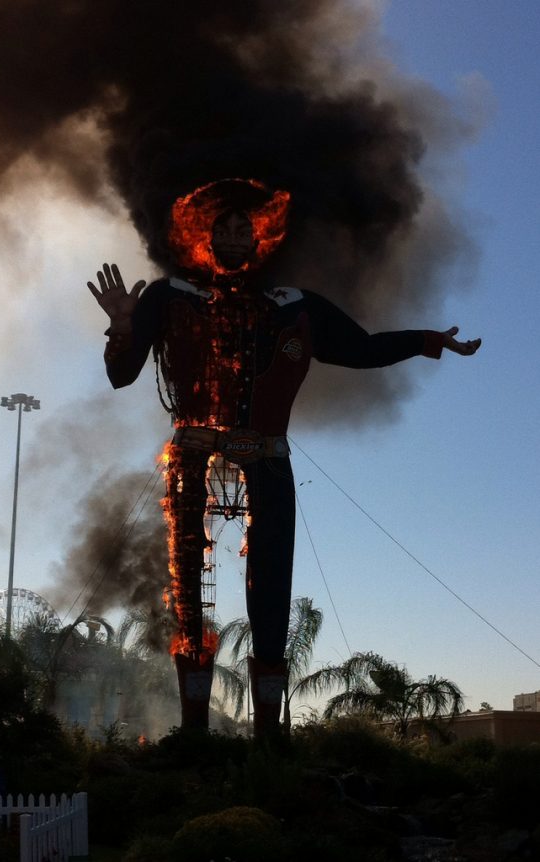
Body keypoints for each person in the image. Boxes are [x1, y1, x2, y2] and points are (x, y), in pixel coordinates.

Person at [87, 180, 481, 735]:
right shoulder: (170, 295)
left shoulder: (293, 306)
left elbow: (362, 348)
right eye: (223, 229)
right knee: (189, 595)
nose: (233, 237)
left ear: (260, 240)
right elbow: (121, 376)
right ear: (204, 239)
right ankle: (194, 735)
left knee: (271, 585)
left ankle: (270, 739)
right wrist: (123, 327)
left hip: (267, 455)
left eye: (242, 229)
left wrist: (427, 340)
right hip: (192, 456)